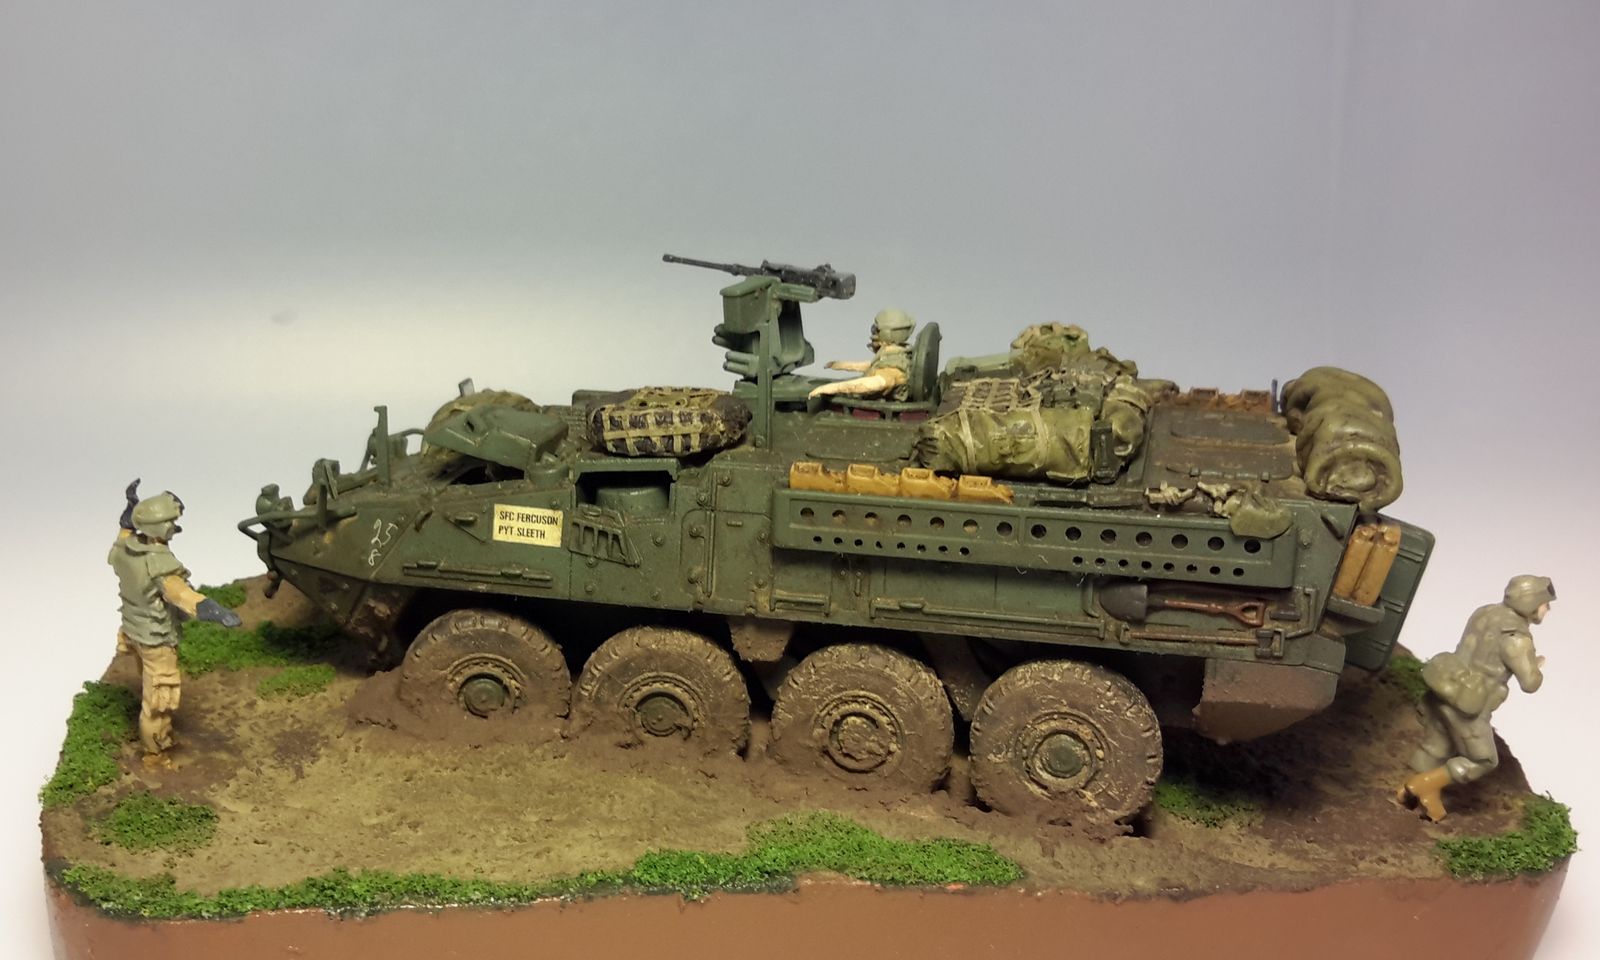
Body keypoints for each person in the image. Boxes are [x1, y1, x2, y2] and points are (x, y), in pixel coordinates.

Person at [1398, 574, 1555, 821]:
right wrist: (1534, 664)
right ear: (1531, 602)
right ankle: (1422, 785)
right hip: (1469, 707)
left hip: (1446, 688)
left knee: (1437, 745)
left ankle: (1406, 794)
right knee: (1483, 760)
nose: (1547, 609)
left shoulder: (1485, 613)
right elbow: (1530, 683)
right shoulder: (1517, 639)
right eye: (1545, 603)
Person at [108, 484, 242, 763]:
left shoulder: (123, 549)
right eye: (169, 522)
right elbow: (181, 595)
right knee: (159, 703)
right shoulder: (159, 564)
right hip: (156, 638)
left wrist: (129, 515)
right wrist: (216, 611)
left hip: (133, 629)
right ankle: (155, 754)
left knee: (147, 681)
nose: (173, 526)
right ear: (157, 526)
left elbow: (123, 533)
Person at [808, 308, 916, 401]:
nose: (874, 333)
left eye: (877, 330)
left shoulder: (894, 368)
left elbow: (873, 384)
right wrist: (842, 365)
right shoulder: (898, 353)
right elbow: (876, 366)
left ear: (887, 334)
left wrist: (831, 388)